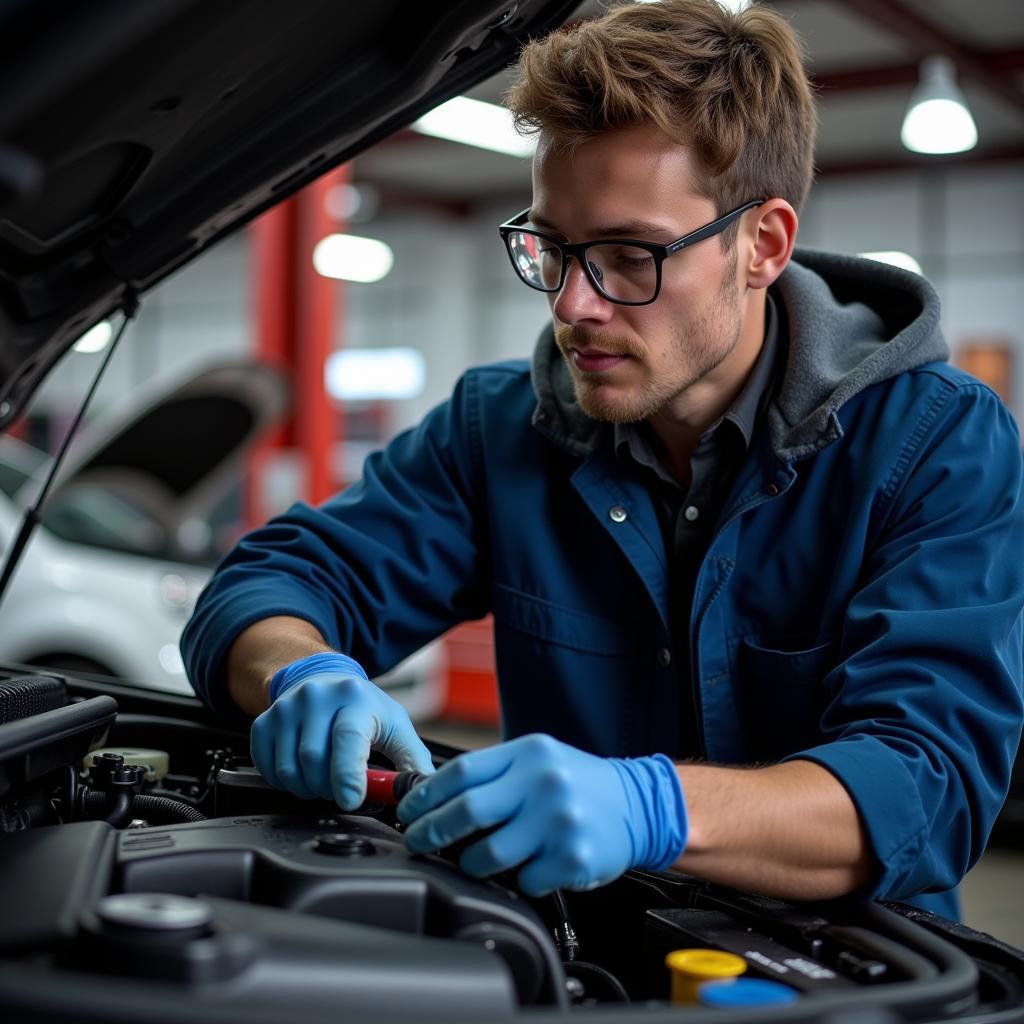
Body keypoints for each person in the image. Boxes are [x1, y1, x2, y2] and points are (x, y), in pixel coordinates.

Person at [182, 0, 1024, 919]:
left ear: (762, 245)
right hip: (575, 953)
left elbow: (926, 786)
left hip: (856, 980)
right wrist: (299, 669)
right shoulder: (499, 426)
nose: (575, 304)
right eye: (553, 247)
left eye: (629, 256)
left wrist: (651, 807)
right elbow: (272, 583)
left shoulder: (934, 442)